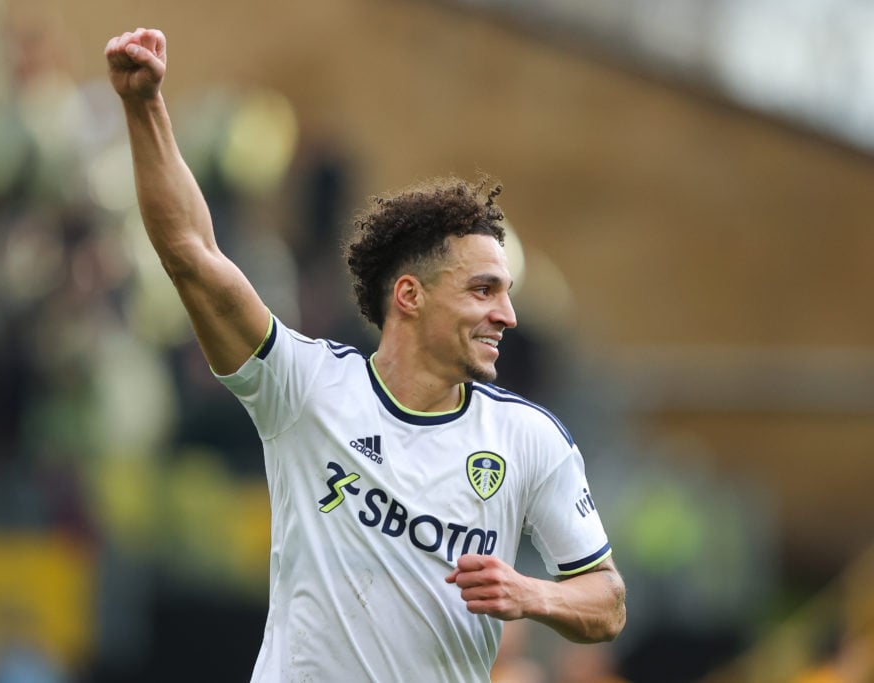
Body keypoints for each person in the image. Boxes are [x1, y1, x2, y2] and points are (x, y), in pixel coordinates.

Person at [105, 27, 626, 683]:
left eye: (507, 293)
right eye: (483, 291)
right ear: (410, 296)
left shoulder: (529, 439)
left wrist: (532, 593)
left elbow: (606, 600)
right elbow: (191, 254)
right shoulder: (304, 389)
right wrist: (144, 106)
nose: (507, 315)